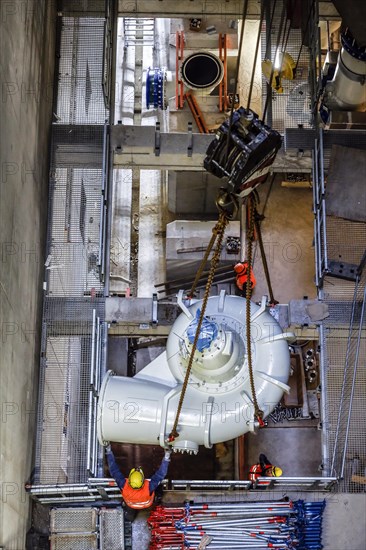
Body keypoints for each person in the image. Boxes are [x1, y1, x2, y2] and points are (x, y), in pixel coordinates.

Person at [105, 444, 171, 519]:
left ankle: (130, 518)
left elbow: (114, 470)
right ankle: (148, 512)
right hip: (147, 505)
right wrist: (166, 457)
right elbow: (161, 474)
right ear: (143, 481)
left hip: (130, 505)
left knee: (130, 514)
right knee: (159, 486)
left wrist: (109, 452)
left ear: (129, 480)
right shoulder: (148, 488)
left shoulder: (124, 486)